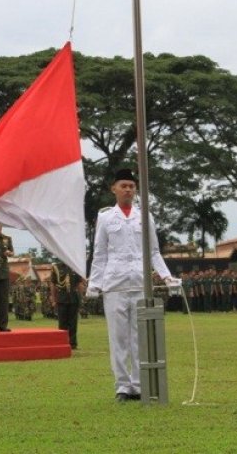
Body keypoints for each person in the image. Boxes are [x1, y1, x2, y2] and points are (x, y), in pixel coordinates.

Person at [86, 169, 176, 402]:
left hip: (139, 281)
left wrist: (167, 277)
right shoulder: (106, 217)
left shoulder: (144, 216)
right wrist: (94, 283)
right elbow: (100, 253)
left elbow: (154, 251)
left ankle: (139, 384)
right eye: (123, 185)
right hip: (114, 283)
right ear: (113, 189)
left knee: (140, 337)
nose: (128, 189)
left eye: (131, 186)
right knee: (118, 337)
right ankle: (122, 386)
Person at [49, 260, 84, 349]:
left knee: (73, 323)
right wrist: (53, 299)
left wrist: (81, 298)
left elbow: (79, 283)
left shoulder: (75, 266)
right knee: (62, 323)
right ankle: (62, 343)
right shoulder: (56, 267)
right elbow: (53, 284)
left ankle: (72, 344)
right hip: (61, 298)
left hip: (73, 298)